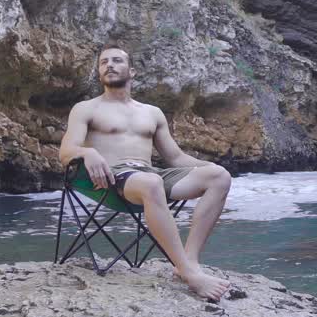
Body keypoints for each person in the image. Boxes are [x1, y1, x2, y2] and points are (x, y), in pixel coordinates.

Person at [59, 45, 232, 301]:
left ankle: (189, 261)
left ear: (132, 71)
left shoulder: (152, 113)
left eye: (117, 60)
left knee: (220, 176)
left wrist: (211, 168)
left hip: (150, 173)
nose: (109, 65)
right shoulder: (86, 109)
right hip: (111, 179)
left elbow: (174, 158)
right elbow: (65, 152)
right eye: (104, 62)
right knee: (152, 183)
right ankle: (189, 273)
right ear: (98, 74)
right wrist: (88, 153)